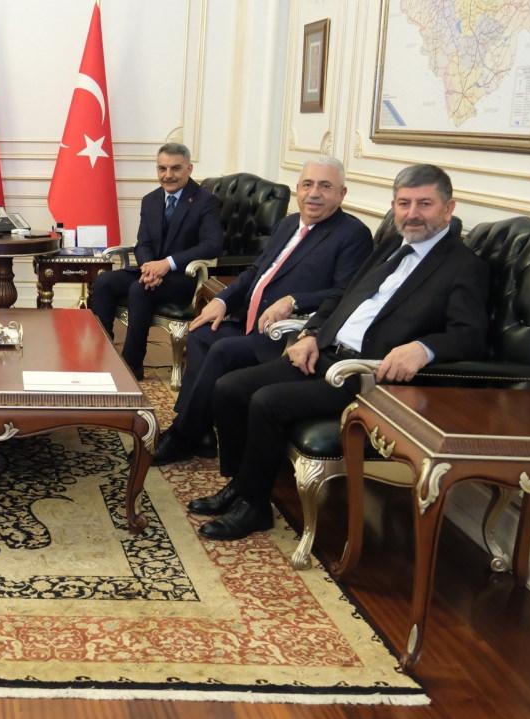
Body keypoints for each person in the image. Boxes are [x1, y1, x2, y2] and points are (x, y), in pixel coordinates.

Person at [192, 164, 490, 541]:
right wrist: (311, 334)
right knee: (229, 388)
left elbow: (471, 335)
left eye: (424, 204)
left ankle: (255, 507)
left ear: (448, 208)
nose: (412, 213)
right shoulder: (391, 247)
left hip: (366, 376)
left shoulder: (464, 266)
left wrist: (424, 348)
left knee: (267, 401)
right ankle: (240, 485)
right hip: (325, 353)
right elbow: (343, 296)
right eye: (404, 203)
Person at [152, 157, 372, 465]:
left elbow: (346, 294)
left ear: (342, 193)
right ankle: (200, 433)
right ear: (298, 189)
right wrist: (223, 300)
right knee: (201, 334)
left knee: (223, 350)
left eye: (325, 186)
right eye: (308, 185)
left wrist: (295, 300)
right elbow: (256, 271)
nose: (314, 194)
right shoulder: (288, 224)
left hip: (284, 335)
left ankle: (182, 436)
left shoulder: (352, 234)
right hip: (250, 320)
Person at [88, 142, 223, 379]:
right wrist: (149, 267)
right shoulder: (150, 200)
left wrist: (167, 264)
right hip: (151, 271)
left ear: (189, 168)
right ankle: (101, 357)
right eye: (162, 168)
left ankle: (131, 367)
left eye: (175, 168)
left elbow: (212, 245)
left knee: (139, 289)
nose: (167, 175)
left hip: (183, 277)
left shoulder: (205, 201)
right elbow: (143, 244)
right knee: (104, 282)